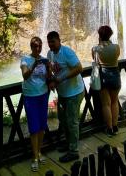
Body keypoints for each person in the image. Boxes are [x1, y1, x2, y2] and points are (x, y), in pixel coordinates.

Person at [47, 30, 84, 163]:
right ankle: (69, 144)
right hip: (63, 93)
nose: (51, 44)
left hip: (75, 92)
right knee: (63, 120)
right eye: (49, 42)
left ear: (59, 40)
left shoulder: (67, 52)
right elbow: (51, 70)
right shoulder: (50, 54)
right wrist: (51, 81)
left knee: (72, 122)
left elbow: (79, 68)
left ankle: (73, 151)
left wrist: (61, 78)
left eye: (53, 41)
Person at [20, 37, 50, 172]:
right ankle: (34, 157)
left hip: (43, 94)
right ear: (31, 47)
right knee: (34, 127)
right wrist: (34, 65)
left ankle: (39, 152)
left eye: (39, 46)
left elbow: (47, 77)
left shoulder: (44, 59)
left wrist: (49, 68)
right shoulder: (25, 60)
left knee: (42, 126)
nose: (37, 49)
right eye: (35, 46)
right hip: (30, 96)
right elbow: (25, 76)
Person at [92, 25, 121, 137]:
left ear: (99, 35)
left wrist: (100, 44)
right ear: (110, 35)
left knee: (106, 104)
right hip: (115, 75)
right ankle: (115, 126)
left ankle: (109, 129)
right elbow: (117, 57)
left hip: (103, 76)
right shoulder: (116, 47)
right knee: (114, 102)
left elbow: (94, 60)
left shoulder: (96, 49)